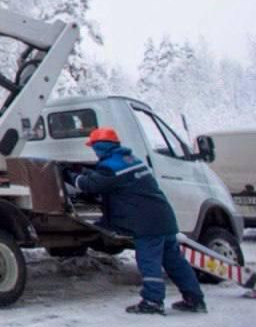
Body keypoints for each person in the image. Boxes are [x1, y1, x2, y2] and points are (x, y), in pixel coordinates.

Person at [65, 127, 207, 315]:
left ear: (100, 147)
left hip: (146, 223)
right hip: (163, 217)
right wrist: (87, 171)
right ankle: (195, 299)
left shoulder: (111, 167)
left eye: (94, 147)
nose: (93, 151)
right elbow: (112, 179)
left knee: (149, 262)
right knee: (175, 262)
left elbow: (91, 185)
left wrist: (68, 175)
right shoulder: (129, 160)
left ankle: (153, 302)